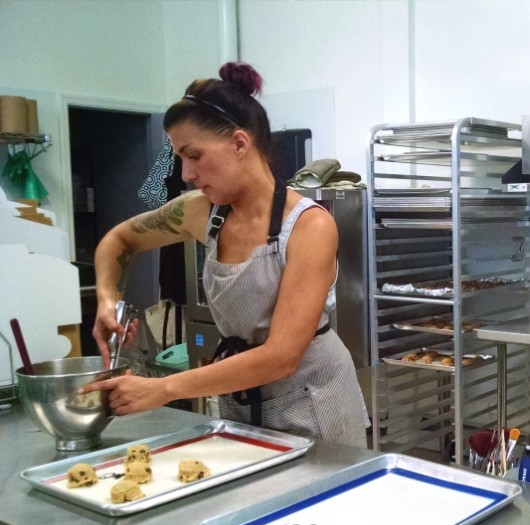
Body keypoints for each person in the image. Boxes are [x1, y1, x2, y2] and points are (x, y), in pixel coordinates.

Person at [80, 62, 370, 447]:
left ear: (239, 143)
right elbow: (118, 240)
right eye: (180, 158)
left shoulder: (307, 226)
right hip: (240, 399)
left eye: (194, 155)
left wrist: (164, 388)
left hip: (315, 404)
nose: (185, 173)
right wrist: (106, 301)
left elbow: (281, 356)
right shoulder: (200, 212)